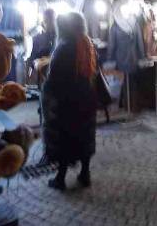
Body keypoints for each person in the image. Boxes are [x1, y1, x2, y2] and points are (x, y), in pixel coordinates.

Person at [43, 12, 98, 190]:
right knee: (85, 136)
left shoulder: (64, 47)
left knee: (65, 138)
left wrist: (47, 98)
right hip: (87, 97)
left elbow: (53, 80)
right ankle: (85, 174)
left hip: (67, 101)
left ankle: (60, 178)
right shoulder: (87, 43)